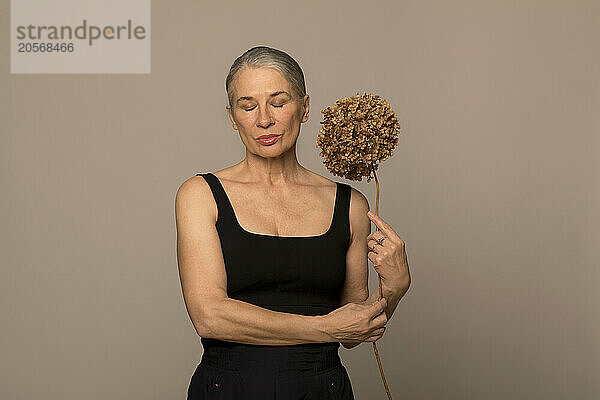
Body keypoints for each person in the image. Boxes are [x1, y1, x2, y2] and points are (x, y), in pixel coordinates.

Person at [175, 45, 411, 400]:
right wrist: (322, 328)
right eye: (248, 105)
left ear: (304, 107)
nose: (264, 119)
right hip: (231, 389)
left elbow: (351, 330)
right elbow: (210, 316)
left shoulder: (349, 205)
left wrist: (394, 288)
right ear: (232, 115)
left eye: (278, 102)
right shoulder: (199, 195)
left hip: (321, 390)